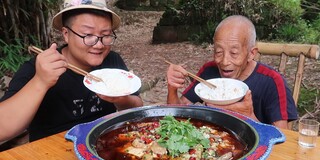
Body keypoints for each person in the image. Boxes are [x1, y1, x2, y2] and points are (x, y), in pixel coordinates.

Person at [0, 0, 143, 142]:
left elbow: (137, 108)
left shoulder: (112, 61)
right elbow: (3, 129)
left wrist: (121, 99)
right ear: (66, 34)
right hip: (51, 152)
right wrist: (40, 81)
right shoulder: (40, 68)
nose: (99, 45)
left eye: (105, 35)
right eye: (88, 35)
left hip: (102, 146)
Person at [166, 15, 298, 129]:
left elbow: (282, 139)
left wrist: (250, 116)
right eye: (218, 52)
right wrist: (172, 88)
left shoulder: (272, 81)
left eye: (234, 53)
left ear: (251, 53)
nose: (224, 61)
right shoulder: (209, 71)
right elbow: (177, 114)